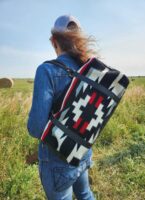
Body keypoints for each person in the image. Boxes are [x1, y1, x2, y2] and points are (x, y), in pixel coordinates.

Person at [27, 15, 96, 200]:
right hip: (83, 150)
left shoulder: (47, 70)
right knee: (85, 194)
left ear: (53, 41)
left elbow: (35, 129)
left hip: (57, 160)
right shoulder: (89, 71)